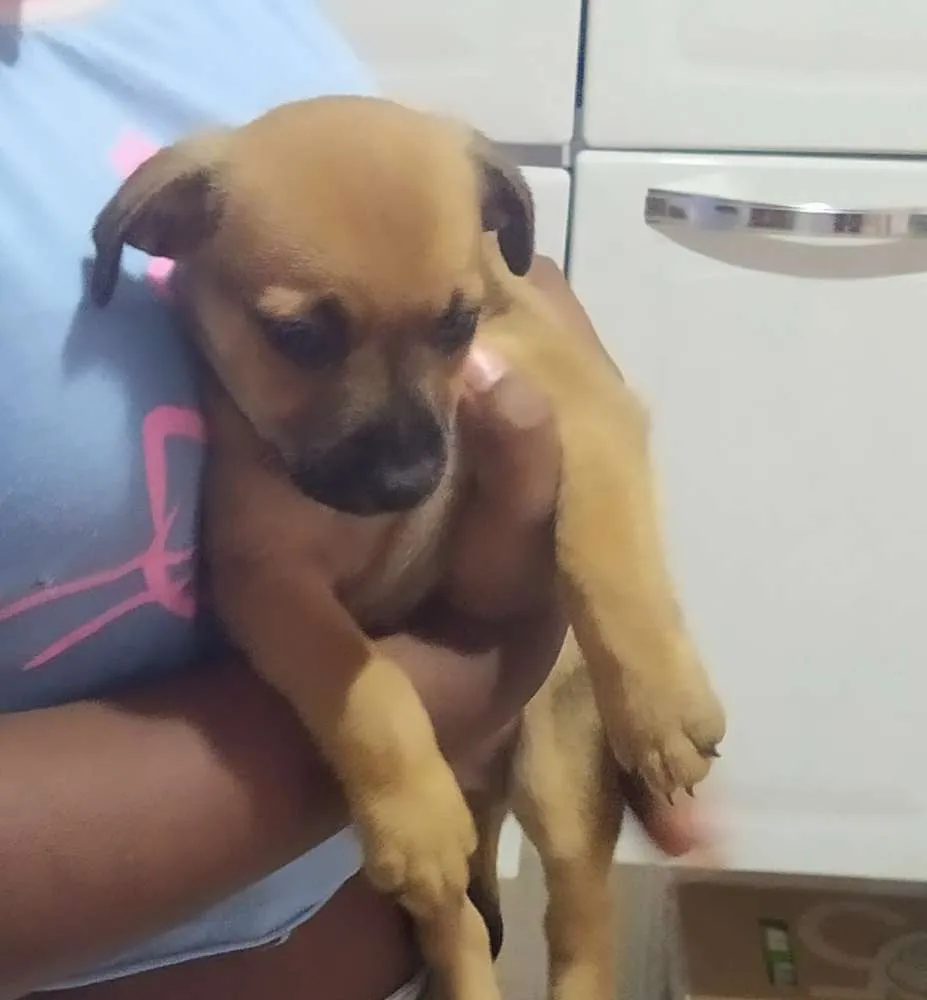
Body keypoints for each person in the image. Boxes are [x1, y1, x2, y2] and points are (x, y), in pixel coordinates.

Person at [0, 1, 710, 998]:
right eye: (304, 339)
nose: (404, 455)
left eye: (448, 331)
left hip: (373, 937)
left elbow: (535, 320)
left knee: (563, 846)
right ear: (148, 236)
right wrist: (478, 653)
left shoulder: (253, 20)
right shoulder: (202, 207)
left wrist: (624, 617)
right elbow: (270, 578)